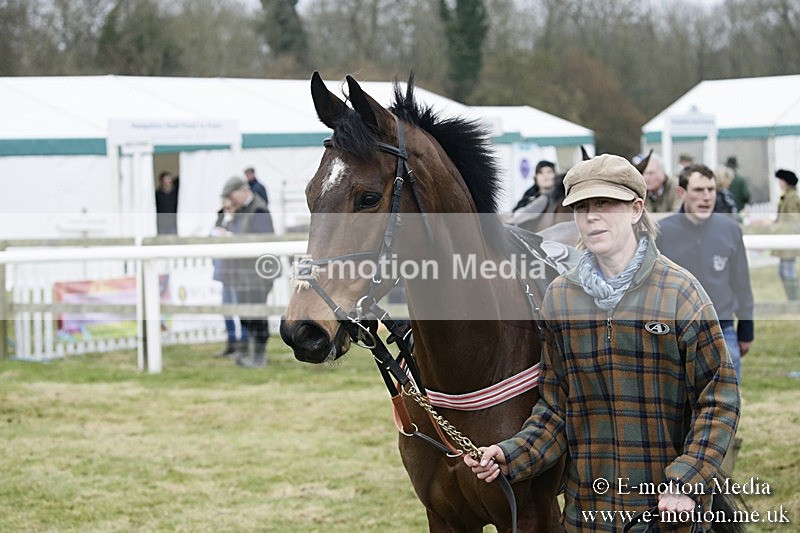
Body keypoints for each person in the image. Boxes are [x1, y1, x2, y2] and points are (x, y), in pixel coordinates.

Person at [464, 154, 740, 531]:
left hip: (666, 513)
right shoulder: (560, 299)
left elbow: (719, 400)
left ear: (636, 209)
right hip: (587, 514)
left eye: (605, 203)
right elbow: (557, 409)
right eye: (581, 206)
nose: (591, 216)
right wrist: (508, 455)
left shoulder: (680, 293)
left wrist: (685, 481)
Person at [657, 164, 754, 384]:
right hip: (675, 333)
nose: (707, 197)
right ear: (682, 193)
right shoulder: (661, 232)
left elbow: (742, 283)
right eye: (699, 190)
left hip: (722, 329)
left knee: (725, 406)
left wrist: (746, 329)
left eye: (711, 189)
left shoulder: (730, 230)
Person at [221, 176, 275, 368]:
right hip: (244, 273)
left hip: (258, 273)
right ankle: (254, 354)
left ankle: (259, 356)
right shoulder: (241, 210)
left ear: (242, 191)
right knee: (246, 315)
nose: (230, 200)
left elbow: (262, 240)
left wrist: (233, 237)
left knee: (257, 314)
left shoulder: (259, 209)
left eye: (231, 195)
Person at [211, 197, 249, 358]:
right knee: (227, 310)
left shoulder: (240, 221)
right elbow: (212, 232)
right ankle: (231, 342)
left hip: (238, 273)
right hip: (226, 273)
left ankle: (244, 344)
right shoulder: (223, 221)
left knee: (241, 310)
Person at [773, 169, 800, 300]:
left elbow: (794, 220)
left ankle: (794, 299)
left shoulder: (792, 198)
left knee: (788, 272)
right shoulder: (786, 197)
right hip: (784, 240)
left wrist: (780, 227)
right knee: (784, 271)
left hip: (788, 240)